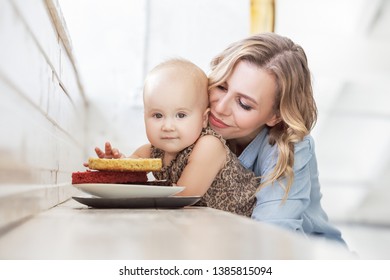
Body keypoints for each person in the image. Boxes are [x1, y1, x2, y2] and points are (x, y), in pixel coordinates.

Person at [207, 32, 347, 245]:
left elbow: (271, 238)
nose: (220, 107)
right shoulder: (198, 118)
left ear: (276, 115)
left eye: (244, 104)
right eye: (221, 86)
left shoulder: (290, 147)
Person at [94, 58, 259, 217]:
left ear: (203, 119)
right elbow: (130, 172)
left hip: (239, 226)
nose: (167, 126)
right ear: (144, 117)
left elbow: (183, 196)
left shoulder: (209, 145)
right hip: (198, 223)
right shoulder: (150, 152)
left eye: (180, 115)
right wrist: (116, 165)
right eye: (157, 115)